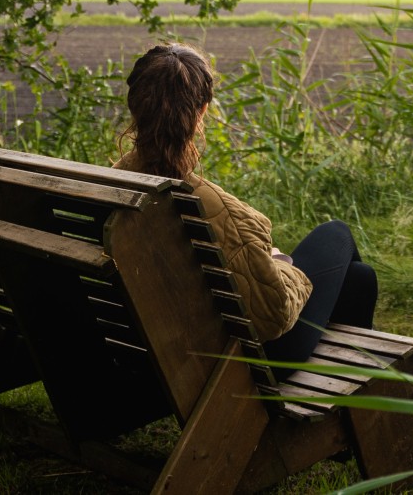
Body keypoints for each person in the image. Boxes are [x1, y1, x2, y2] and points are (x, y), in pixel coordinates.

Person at [113, 43, 378, 363]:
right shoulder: (213, 210)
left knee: (360, 278)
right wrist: (282, 263)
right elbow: (273, 316)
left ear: (135, 107)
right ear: (202, 111)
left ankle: (368, 377)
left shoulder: (109, 185)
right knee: (336, 233)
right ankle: (369, 379)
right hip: (239, 358)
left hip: (148, 343)